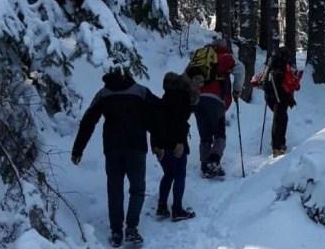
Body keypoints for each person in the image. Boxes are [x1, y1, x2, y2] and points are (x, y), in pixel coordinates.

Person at [71, 65, 160, 247]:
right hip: (136, 147)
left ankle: (116, 231)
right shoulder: (141, 92)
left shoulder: (103, 94)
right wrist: (161, 142)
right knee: (137, 189)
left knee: (115, 189)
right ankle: (132, 229)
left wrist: (78, 149)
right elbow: (157, 116)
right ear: (128, 74)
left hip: (112, 148)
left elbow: (88, 121)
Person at [187, 36, 244, 179]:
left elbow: (186, 75)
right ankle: (213, 161)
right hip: (217, 100)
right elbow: (240, 68)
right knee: (219, 133)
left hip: (198, 100)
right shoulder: (226, 57)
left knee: (205, 135)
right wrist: (237, 90)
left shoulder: (200, 59)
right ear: (224, 46)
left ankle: (205, 164)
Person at [152, 72, 196, 222]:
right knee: (179, 175)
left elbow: (155, 124)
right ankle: (177, 209)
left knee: (168, 174)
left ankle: (162, 206)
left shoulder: (162, 101)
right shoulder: (182, 98)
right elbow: (179, 121)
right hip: (176, 144)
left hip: (161, 145)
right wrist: (180, 142)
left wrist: (156, 146)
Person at [263, 46, 300, 156]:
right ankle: (277, 147)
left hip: (270, 95)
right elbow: (290, 84)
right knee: (280, 119)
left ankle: (278, 145)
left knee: (279, 119)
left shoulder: (272, 65)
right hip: (280, 97)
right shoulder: (284, 66)